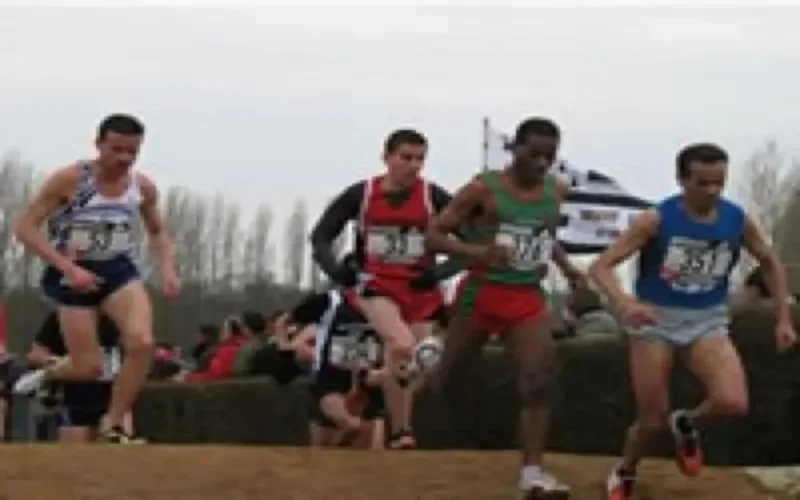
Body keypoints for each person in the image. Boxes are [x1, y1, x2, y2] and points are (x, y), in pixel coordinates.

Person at [588, 143, 797, 500]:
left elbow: (769, 261)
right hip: (655, 319)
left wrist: (783, 318)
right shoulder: (657, 219)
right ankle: (626, 470)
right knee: (651, 419)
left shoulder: (736, 219)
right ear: (682, 180)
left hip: (707, 319)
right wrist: (625, 303)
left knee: (733, 402)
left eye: (719, 182)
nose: (713, 191)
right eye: (703, 183)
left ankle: (688, 423)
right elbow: (601, 266)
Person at [425, 117, 583, 499]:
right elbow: (432, 236)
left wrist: (567, 267)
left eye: (550, 155)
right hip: (480, 293)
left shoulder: (557, 191)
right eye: (534, 154)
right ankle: (428, 362)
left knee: (538, 382)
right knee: (447, 379)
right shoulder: (483, 189)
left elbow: (543, 235)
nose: (542, 163)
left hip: (526, 296)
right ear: (515, 149)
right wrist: (479, 251)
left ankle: (532, 474)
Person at [12, 113, 180, 444]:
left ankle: (114, 424)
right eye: (116, 150)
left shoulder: (141, 187)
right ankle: (49, 376)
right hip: (72, 275)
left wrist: (168, 268)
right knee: (88, 367)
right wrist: (67, 267)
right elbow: (25, 228)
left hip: (118, 270)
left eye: (132, 152)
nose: (124, 159)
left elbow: (158, 231)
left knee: (143, 342)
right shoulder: (70, 180)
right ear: (98, 144)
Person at [309, 128, 461, 449]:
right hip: (376, 284)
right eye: (405, 158)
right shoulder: (361, 194)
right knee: (401, 343)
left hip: (421, 289)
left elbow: (474, 241)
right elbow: (321, 235)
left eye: (420, 159)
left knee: (420, 364)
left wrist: (440, 272)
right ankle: (402, 433)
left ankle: (387, 402)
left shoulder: (433, 197)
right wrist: (337, 270)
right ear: (387, 157)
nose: (414, 166)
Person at [287, 288, 388, 450]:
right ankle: (348, 427)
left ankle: (351, 428)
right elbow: (291, 333)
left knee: (372, 454)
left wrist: (388, 371)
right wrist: (303, 349)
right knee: (324, 456)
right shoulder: (329, 302)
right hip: (331, 382)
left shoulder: (388, 305)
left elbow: (392, 351)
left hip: (367, 384)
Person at [24, 311, 137, 442]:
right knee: (73, 454)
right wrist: (60, 362)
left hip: (112, 398)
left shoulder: (118, 318)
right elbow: (35, 355)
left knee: (118, 450)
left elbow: (133, 354)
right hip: (74, 397)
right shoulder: (60, 318)